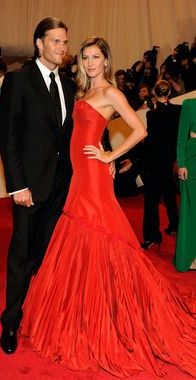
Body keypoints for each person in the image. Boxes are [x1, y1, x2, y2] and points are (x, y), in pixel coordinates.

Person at [20, 37, 196, 379]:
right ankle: (89, 307)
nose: (89, 63)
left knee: (103, 233)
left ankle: (119, 309)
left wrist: (110, 156)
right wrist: (102, 148)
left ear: (106, 60)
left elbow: (140, 130)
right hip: (79, 176)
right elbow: (86, 131)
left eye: (95, 57)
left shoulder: (111, 93)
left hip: (93, 176)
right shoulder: (83, 94)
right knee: (82, 234)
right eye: (85, 57)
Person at [0, 17, 76, 355]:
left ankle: (41, 316)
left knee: (46, 256)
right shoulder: (19, 80)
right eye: (55, 41)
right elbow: (8, 136)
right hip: (29, 188)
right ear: (39, 43)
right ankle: (11, 320)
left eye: (64, 42)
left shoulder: (68, 85)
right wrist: (17, 186)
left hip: (60, 188)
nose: (62, 48)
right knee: (21, 255)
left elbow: (69, 137)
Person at [141, 80, 181, 250]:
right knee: (169, 193)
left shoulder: (153, 115)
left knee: (151, 199)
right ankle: (174, 225)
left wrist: (142, 140)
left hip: (155, 162)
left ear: (154, 95)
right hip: (170, 159)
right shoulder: (179, 110)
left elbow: (150, 141)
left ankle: (152, 237)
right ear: (169, 93)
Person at [174, 98, 196, 271]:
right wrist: (181, 163)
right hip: (192, 161)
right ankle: (190, 257)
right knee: (190, 211)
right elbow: (181, 137)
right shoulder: (190, 104)